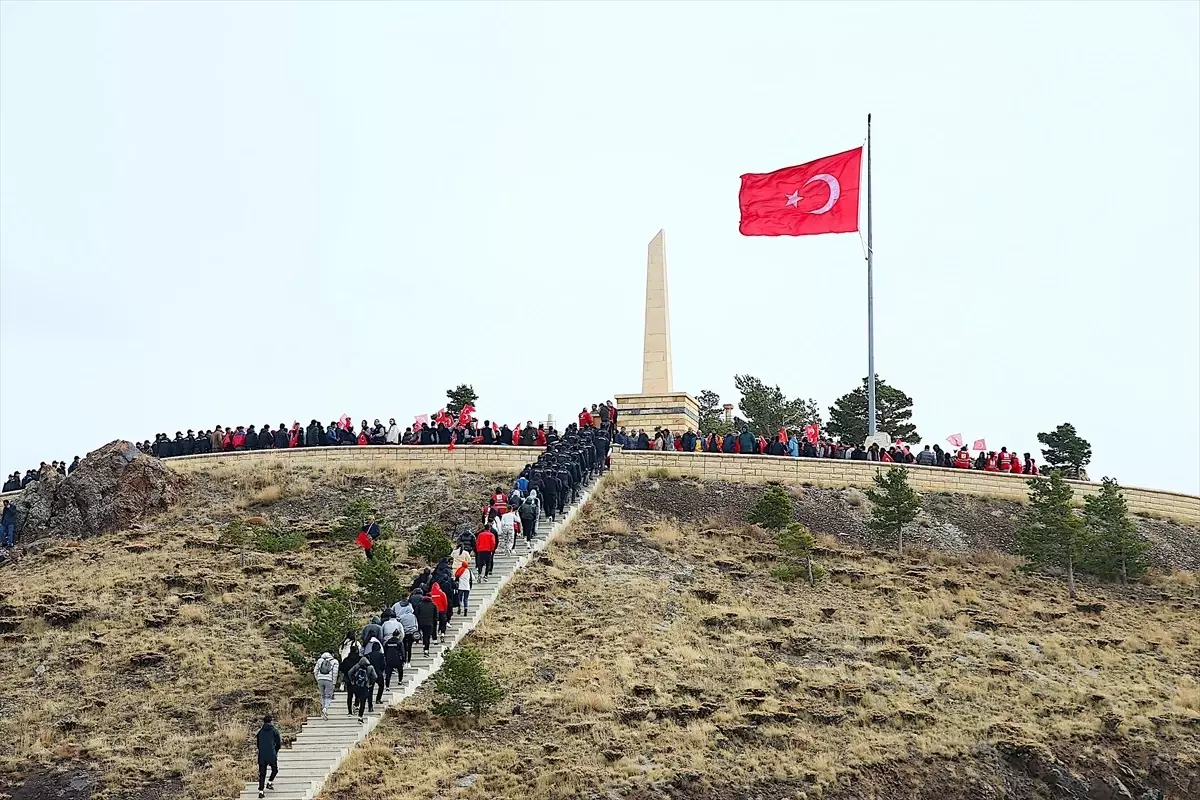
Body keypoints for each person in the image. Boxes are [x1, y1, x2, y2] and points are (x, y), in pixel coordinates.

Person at [255, 714, 281, 798]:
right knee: (275, 770)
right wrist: (275, 751)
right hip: (271, 754)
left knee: (262, 774)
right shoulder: (274, 731)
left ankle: (261, 791)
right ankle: (269, 782)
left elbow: (258, 744)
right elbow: (278, 743)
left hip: (262, 755)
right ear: (271, 721)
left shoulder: (260, 732)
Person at [349, 655, 377, 723]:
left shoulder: (357, 666)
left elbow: (350, 672)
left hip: (356, 686)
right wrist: (370, 683)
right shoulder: (370, 667)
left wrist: (352, 681)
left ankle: (355, 705)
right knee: (363, 702)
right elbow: (375, 676)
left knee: (357, 697)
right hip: (365, 686)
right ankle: (360, 717)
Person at [336, 645, 361, 716]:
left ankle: (349, 711)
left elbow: (341, 668)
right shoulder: (359, 659)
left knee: (350, 696)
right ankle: (356, 705)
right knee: (358, 694)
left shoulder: (346, 660)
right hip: (358, 679)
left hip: (349, 680)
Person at [313, 651, 339, 720]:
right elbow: (335, 673)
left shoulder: (319, 660)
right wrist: (334, 683)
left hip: (320, 680)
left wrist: (318, 679)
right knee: (328, 696)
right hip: (329, 680)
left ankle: (323, 709)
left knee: (323, 695)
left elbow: (315, 671)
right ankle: (325, 709)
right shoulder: (335, 661)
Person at [366, 639, 387, 706]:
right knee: (381, 686)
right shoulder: (381, 655)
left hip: (370, 674)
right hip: (378, 672)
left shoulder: (368, 655)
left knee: (370, 689)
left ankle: (370, 705)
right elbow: (384, 665)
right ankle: (378, 699)